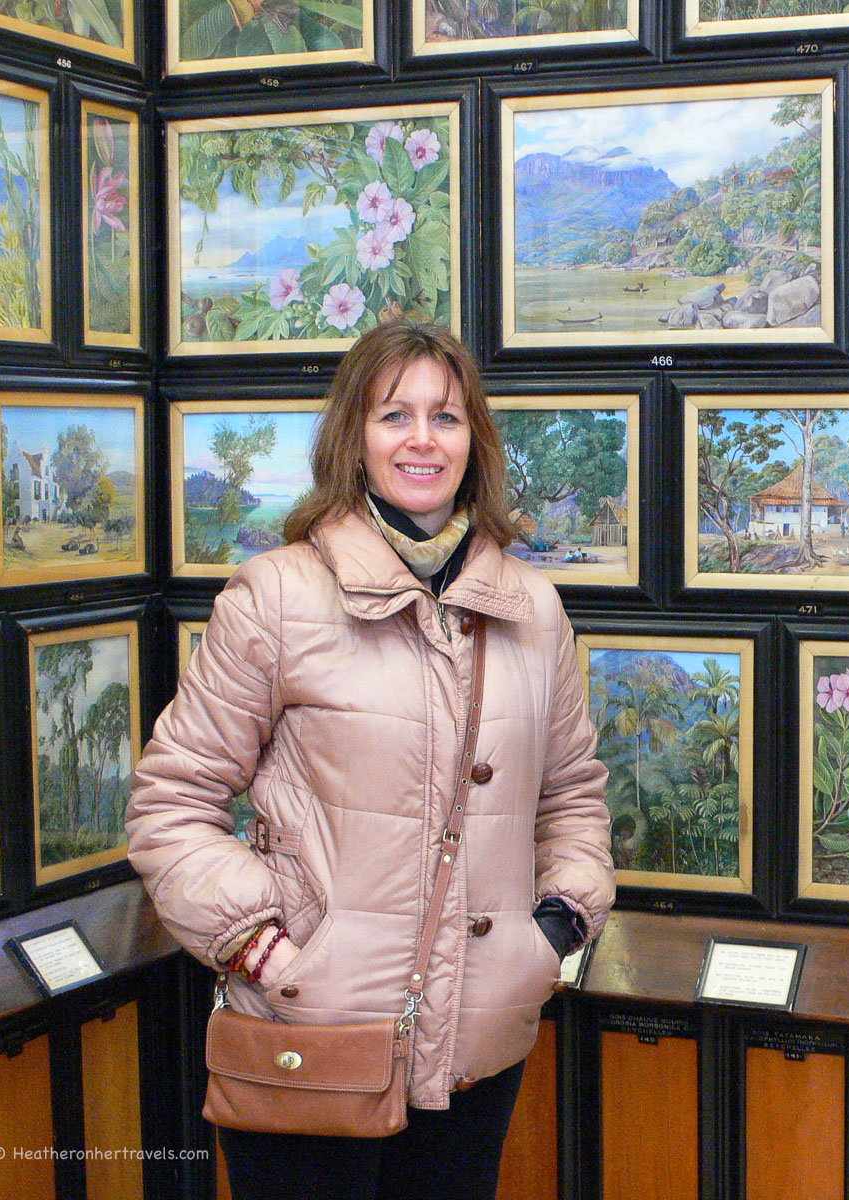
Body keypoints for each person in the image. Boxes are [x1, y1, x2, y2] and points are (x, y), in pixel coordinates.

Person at [126, 319, 615, 1200]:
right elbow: (172, 801)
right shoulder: (277, 595)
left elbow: (573, 794)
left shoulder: (534, 610)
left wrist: (551, 934)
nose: (423, 439)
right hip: (310, 1037)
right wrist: (264, 947)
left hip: (478, 1048)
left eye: (447, 417)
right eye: (396, 415)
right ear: (355, 434)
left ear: (476, 441)